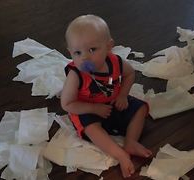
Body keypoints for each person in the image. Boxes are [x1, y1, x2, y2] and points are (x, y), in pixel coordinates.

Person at [61, 14, 152, 178]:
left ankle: (131, 141)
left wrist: (123, 95)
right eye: (77, 52)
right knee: (91, 128)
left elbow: (130, 74)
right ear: (70, 53)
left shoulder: (115, 62)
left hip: (113, 102)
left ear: (109, 46)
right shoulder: (76, 74)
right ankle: (120, 154)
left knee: (140, 109)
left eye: (92, 50)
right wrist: (94, 108)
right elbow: (67, 104)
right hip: (87, 108)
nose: (84, 58)